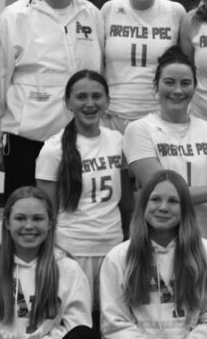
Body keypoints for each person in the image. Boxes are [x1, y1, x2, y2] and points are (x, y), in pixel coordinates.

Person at [0, 0, 104, 198]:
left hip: (80, 139)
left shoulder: (91, 14)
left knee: (75, 218)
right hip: (27, 142)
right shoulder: (15, 16)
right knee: (27, 220)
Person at [125, 46, 207, 246]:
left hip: (203, 240)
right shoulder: (139, 129)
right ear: (156, 86)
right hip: (157, 241)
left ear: (195, 87)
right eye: (169, 83)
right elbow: (164, 190)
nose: (178, 90)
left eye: (185, 83)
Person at [0, 187, 98, 339]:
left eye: (38, 219)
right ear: (7, 223)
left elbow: (78, 327)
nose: (29, 226)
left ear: (50, 223)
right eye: (20, 218)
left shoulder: (69, 269)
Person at [100, 170, 207, 338]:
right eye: (155, 199)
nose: (163, 207)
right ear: (143, 205)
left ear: (184, 208)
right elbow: (115, 324)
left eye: (173, 201)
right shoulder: (117, 258)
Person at [34, 70, 130, 298]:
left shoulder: (118, 141)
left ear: (108, 101)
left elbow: (127, 203)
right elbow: (46, 213)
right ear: (67, 102)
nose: (89, 103)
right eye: (81, 97)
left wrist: (127, 241)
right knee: (76, 319)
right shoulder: (53, 150)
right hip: (71, 249)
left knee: (110, 320)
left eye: (97, 96)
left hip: (113, 246)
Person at [101, 0, 186, 132]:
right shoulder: (110, 9)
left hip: (159, 118)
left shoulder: (175, 12)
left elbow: (186, 69)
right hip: (112, 117)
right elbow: (98, 65)